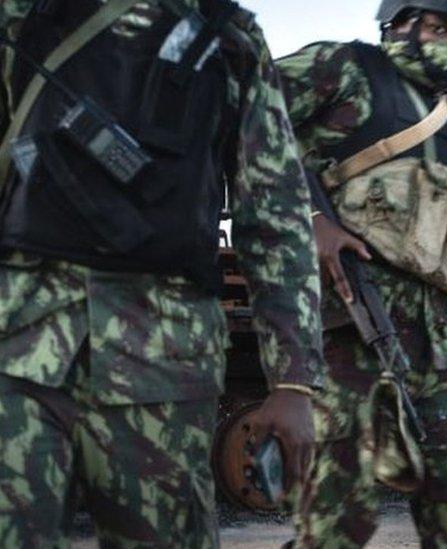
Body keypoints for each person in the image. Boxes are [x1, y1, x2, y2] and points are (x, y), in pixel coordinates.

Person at [0, 0, 324, 546]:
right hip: (18, 343)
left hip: (163, 363)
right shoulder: (21, 14)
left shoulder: (231, 38)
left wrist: (294, 383)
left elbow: (274, 216)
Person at [276, 0, 447, 546]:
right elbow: (246, 119)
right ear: (397, 24)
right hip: (345, 316)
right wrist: (309, 219)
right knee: (337, 521)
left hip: (443, 335)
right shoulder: (348, 70)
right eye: (440, 27)